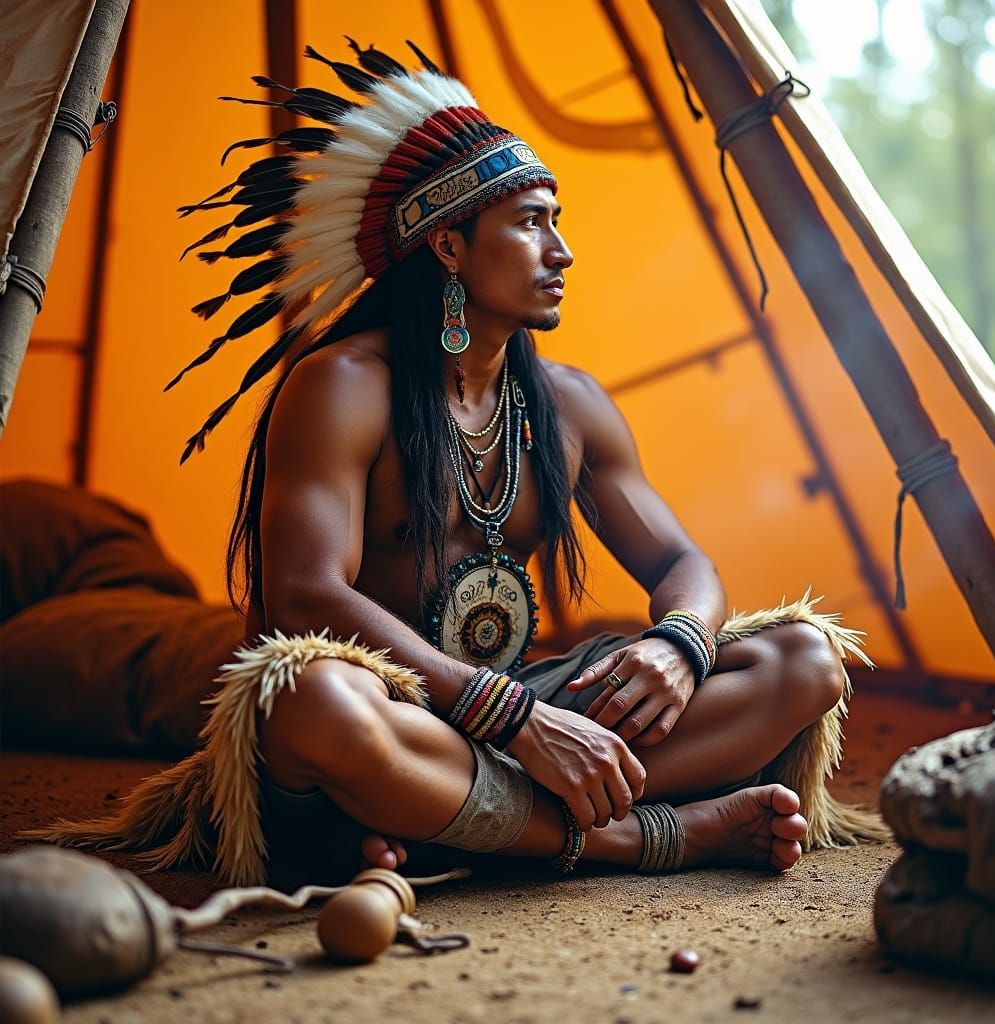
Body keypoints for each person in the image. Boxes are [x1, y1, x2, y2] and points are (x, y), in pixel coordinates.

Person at [34, 39, 882, 886]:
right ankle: (645, 837)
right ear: (448, 246)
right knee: (310, 702)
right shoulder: (342, 387)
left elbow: (677, 561)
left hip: (509, 721)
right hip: (402, 714)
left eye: (560, 220)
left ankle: (457, 827)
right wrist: (506, 717)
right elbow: (303, 595)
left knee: (803, 660)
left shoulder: (570, 402)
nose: (562, 251)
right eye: (530, 221)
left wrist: (682, 645)